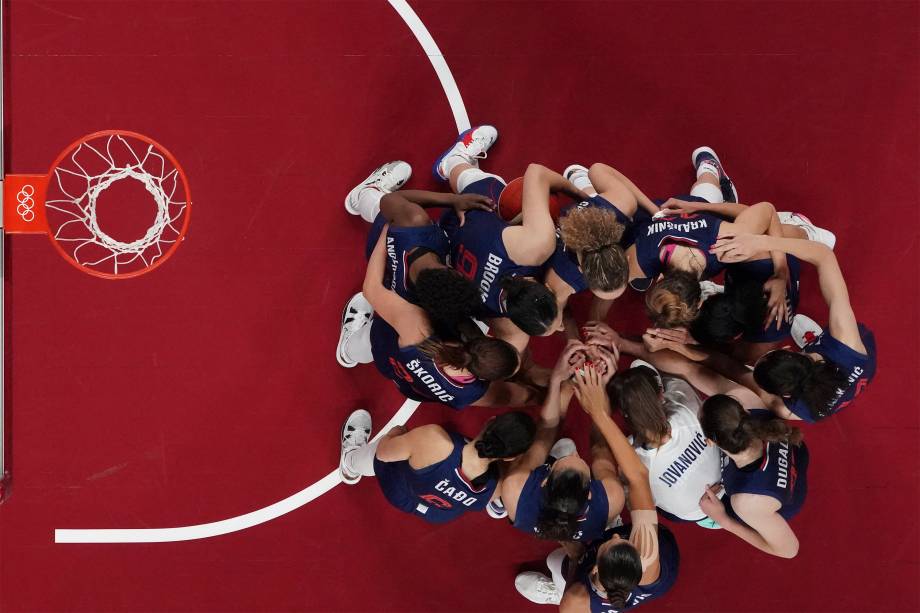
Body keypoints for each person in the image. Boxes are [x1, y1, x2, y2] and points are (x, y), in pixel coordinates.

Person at [515, 355, 679, 611]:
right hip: (658, 562)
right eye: (621, 540)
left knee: (557, 563)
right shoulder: (645, 552)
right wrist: (599, 413)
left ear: (594, 566)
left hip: (582, 585)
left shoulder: (576, 602)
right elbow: (637, 476)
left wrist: (573, 570)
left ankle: (556, 590)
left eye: (610, 542)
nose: (615, 534)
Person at [618, 147, 833, 329]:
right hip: (665, 211)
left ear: (701, 299)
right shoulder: (635, 261)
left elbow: (767, 211)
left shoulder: (727, 244)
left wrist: (780, 273)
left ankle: (801, 228)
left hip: (698, 208)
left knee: (714, 197)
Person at [336, 228, 540, 409]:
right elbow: (510, 397)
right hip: (403, 380)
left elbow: (371, 290)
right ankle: (350, 354)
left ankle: (348, 349)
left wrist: (386, 233)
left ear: (489, 338)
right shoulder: (471, 393)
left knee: (368, 340)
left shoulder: (419, 331)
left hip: (383, 343)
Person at [432, 125, 589, 350]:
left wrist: (578, 194)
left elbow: (536, 173)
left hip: (463, 214)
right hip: (443, 248)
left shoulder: (534, 247)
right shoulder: (504, 325)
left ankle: (453, 162)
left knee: (504, 194)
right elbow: (509, 361)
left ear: (539, 284)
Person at [710, 232, 876, 422]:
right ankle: (815, 339)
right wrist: (765, 241)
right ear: (791, 350)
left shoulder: (787, 410)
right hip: (859, 360)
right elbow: (825, 256)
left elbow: (734, 370)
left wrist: (689, 350)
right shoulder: (846, 341)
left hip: (833, 367)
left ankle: (815, 342)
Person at [342, 160, 491, 336]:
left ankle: (364, 195)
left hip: (389, 230)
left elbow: (389, 200)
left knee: (381, 205)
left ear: (455, 271)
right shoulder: (414, 305)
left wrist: (453, 200)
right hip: (380, 269)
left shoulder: (415, 222)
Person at [498, 342, 626, 543]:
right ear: (590, 494)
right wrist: (600, 392)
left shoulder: (516, 488)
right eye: (579, 459)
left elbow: (546, 430)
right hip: (585, 527)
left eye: (568, 459)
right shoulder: (612, 498)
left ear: (544, 480)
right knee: (567, 446)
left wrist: (559, 380)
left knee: (549, 446)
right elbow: (600, 445)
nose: (576, 454)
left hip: (521, 503)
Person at [337, 408, 536, 523]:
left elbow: (384, 453)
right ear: (510, 458)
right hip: (433, 512)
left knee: (386, 450)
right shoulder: (496, 487)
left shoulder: (437, 441)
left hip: (398, 486)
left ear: (490, 421)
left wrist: (397, 433)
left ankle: (351, 462)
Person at [698, 395, 809, 558]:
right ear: (744, 409)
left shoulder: (747, 501)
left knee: (717, 512)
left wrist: (724, 520)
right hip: (795, 456)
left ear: (710, 442)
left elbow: (789, 551)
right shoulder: (755, 406)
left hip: (779, 502)